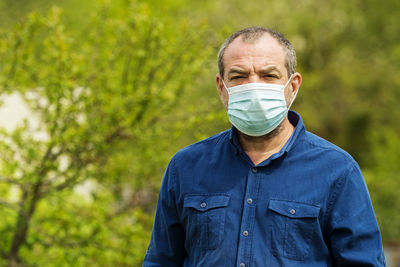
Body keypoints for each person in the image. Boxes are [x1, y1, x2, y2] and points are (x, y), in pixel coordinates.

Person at [143, 26, 386, 266]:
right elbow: (161, 260)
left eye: (268, 75)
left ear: (293, 86)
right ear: (221, 87)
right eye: (239, 76)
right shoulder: (186, 166)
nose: (254, 88)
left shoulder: (337, 170)